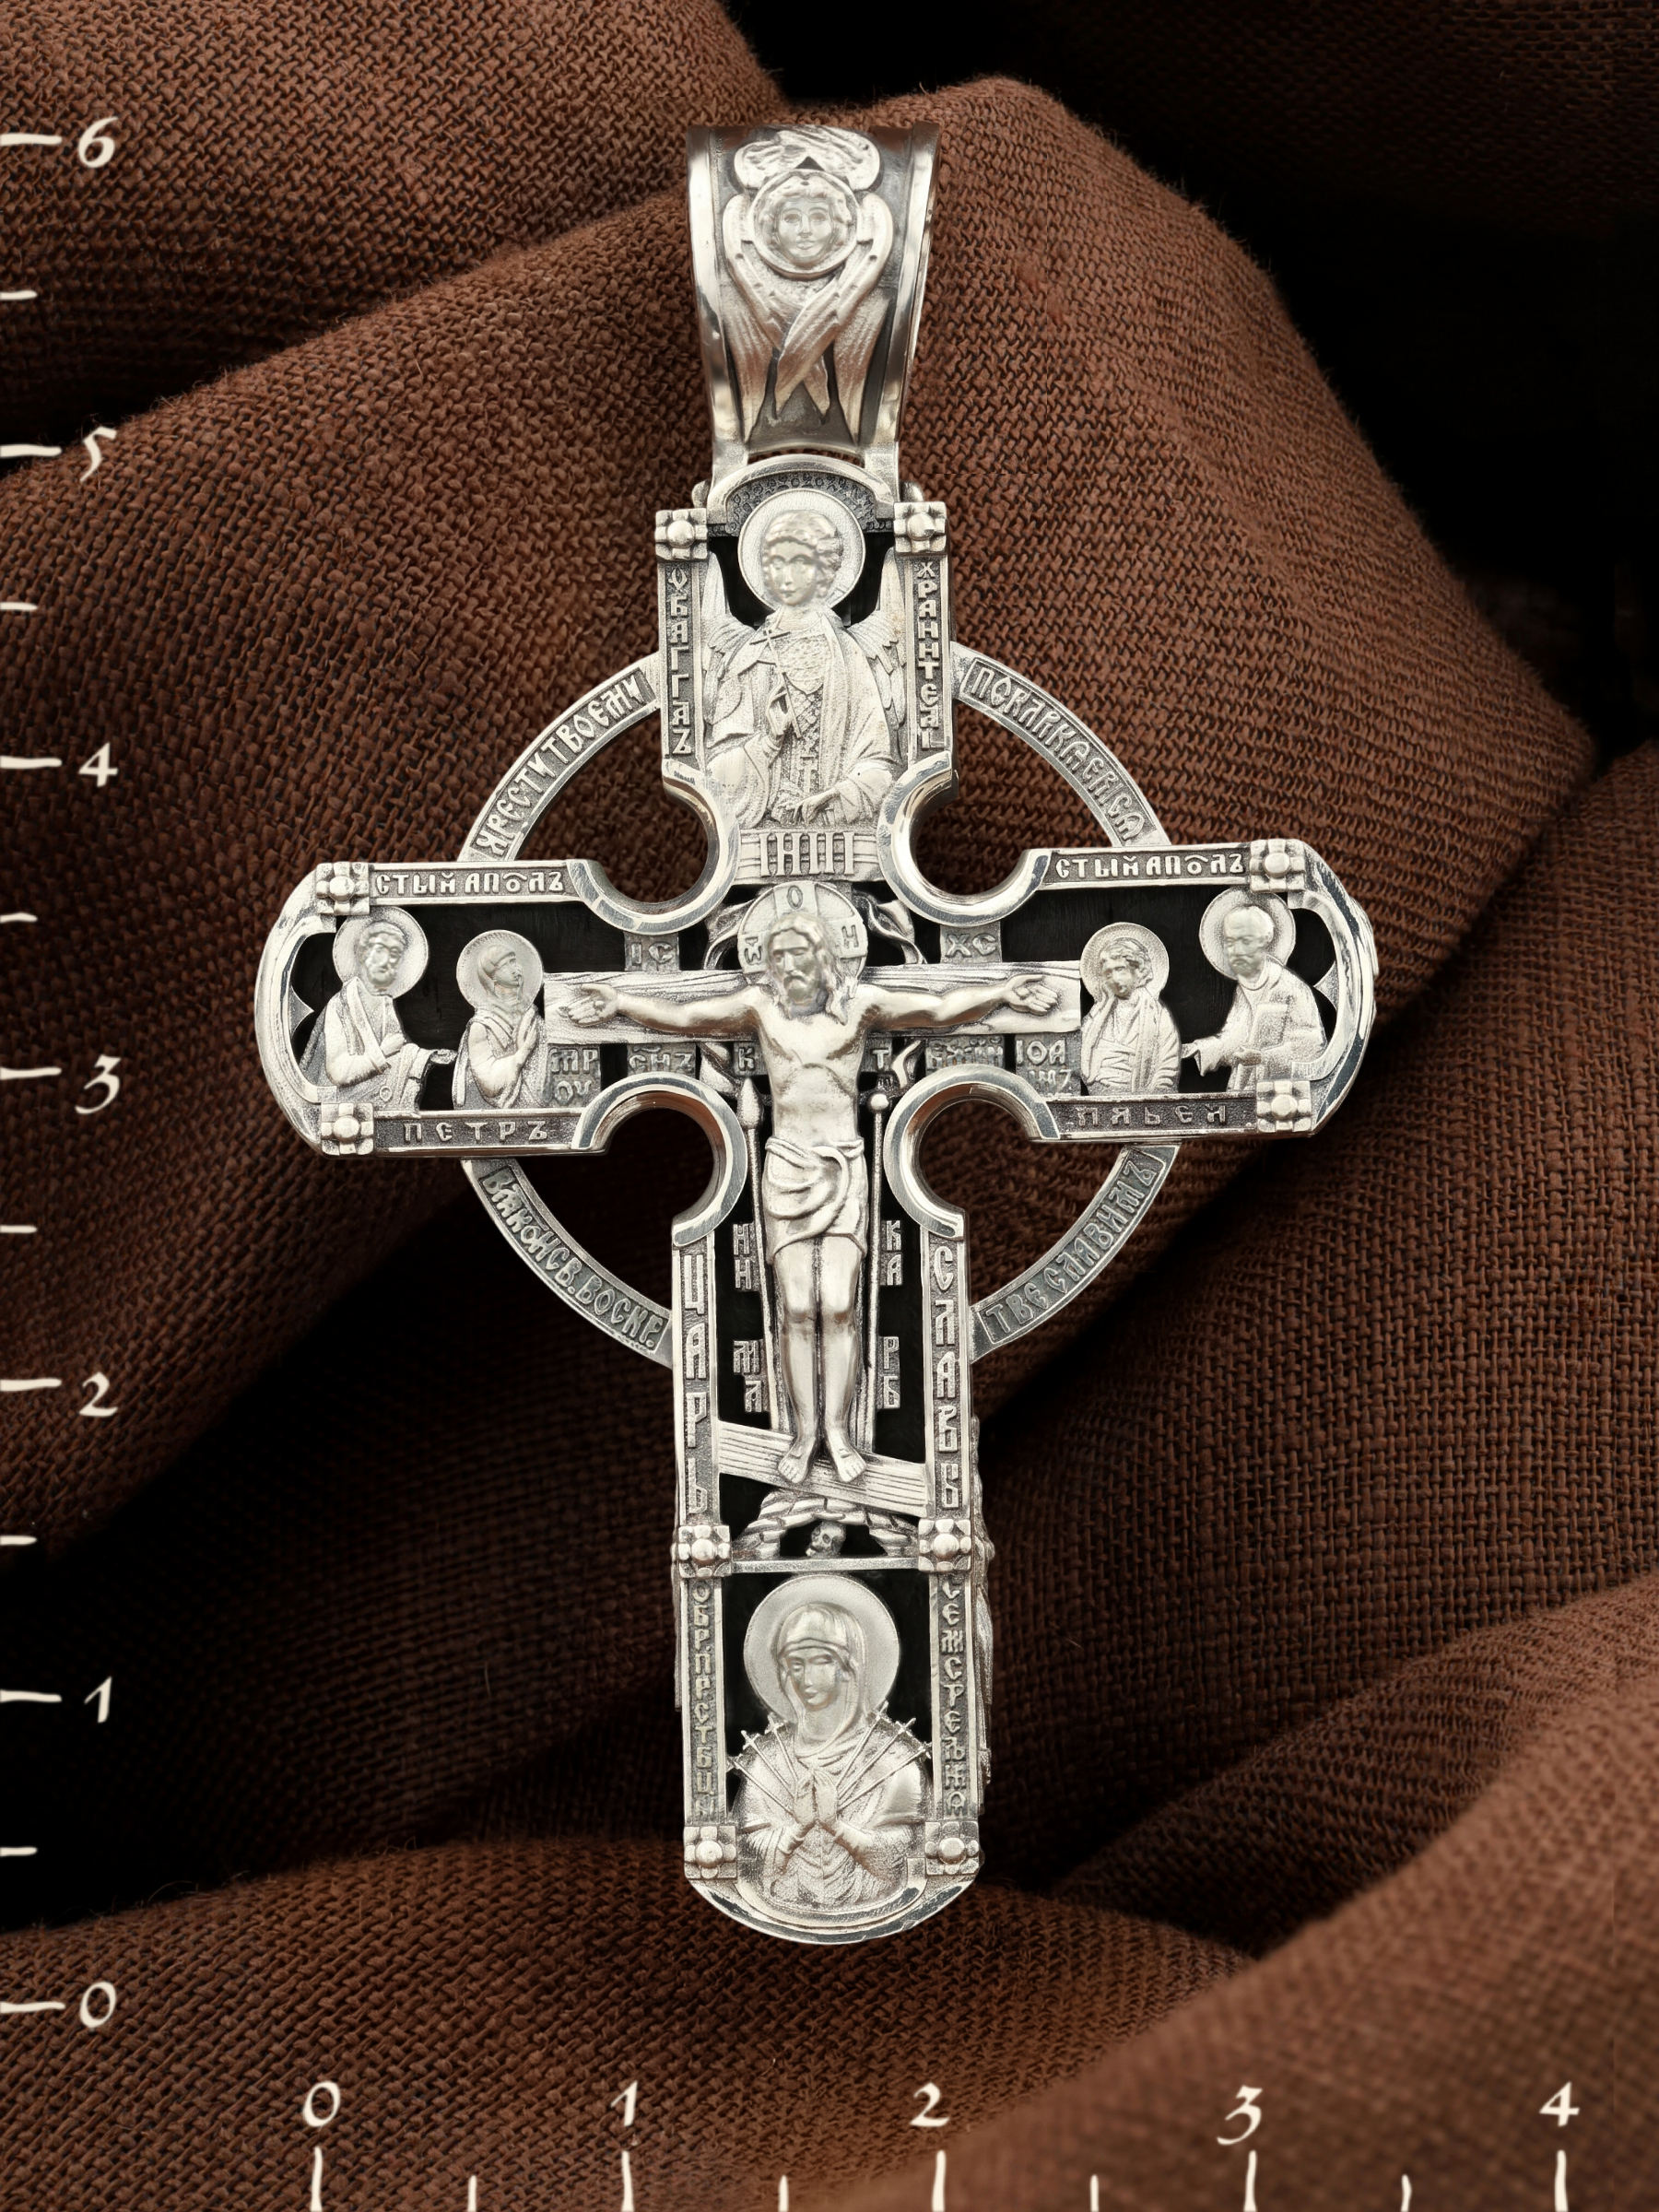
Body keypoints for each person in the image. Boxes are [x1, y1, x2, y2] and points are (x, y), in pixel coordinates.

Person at [570, 892, 1057, 1488]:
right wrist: (621, 1002)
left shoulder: (860, 1007)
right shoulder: (761, 1009)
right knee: (799, 1307)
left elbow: (936, 1008)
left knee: (841, 1304)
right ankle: (805, 1436)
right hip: (788, 1169)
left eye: (798, 954)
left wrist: (1003, 992)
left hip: (844, 1167)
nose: (787, 967)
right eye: (777, 957)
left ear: (824, 956)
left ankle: (840, 1434)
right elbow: (689, 1016)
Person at [705, 508, 896, 830]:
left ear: (825, 570)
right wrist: (767, 743)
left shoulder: (848, 656)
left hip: (837, 830)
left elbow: (879, 766)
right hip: (761, 838)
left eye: (800, 562)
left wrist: (836, 796)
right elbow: (714, 777)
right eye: (777, 563)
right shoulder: (750, 657)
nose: (787, 576)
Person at [733, 1598, 928, 1912]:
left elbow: (905, 1854)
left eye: (821, 1661)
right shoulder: (766, 1762)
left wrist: (837, 1827)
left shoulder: (894, 1760)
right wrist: (796, 1831)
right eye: (795, 1664)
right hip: (779, 1909)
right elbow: (747, 1853)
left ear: (849, 1667)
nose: (805, 1678)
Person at [307, 912, 448, 1112]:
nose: (387, 961)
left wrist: (426, 1057)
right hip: (346, 1104)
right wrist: (381, 1054)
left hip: (380, 1094)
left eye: (395, 954)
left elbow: (398, 1050)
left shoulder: (385, 1004)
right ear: (362, 954)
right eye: (381, 950)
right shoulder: (341, 1005)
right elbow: (338, 1072)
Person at [1186, 903, 1324, 1090]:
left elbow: (1312, 1045)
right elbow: (1236, 1039)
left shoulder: (1289, 987)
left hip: (1281, 1091)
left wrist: (1263, 1057)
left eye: (1244, 941)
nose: (1235, 951)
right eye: (1229, 942)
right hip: (1244, 1088)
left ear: (1264, 941)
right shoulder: (1244, 987)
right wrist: (1200, 1048)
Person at [1079, 928, 1180, 1095]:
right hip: (1100, 1097)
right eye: (1108, 973)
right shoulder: (1097, 1015)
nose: (1114, 978)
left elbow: (1167, 1067)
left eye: (1120, 969)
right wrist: (1105, 1006)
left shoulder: (1158, 1016)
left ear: (1139, 970)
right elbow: (1083, 1061)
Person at [457, 941, 550, 1109]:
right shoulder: (481, 1026)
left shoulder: (532, 1018)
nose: (515, 969)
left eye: (514, 962)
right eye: (505, 966)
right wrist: (522, 1053)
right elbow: (489, 1082)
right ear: (492, 976)